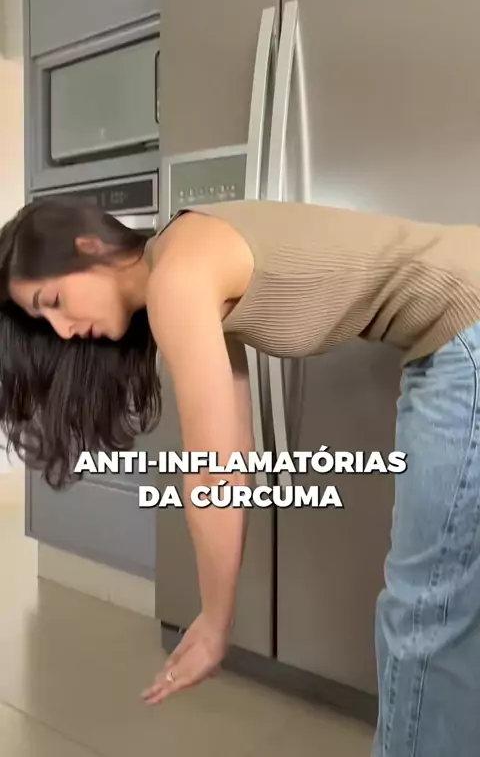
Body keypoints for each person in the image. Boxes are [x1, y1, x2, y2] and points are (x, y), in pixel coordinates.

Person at [1, 194, 480, 757]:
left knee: (425, 614)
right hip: (453, 334)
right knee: (450, 600)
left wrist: (214, 622)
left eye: (54, 301)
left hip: (465, 326)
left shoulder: (177, 277)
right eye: (44, 320)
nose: (61, 329)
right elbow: (233, 452)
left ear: (87, 245)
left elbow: (215, 474)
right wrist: (217, 614)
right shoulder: (185, 259)